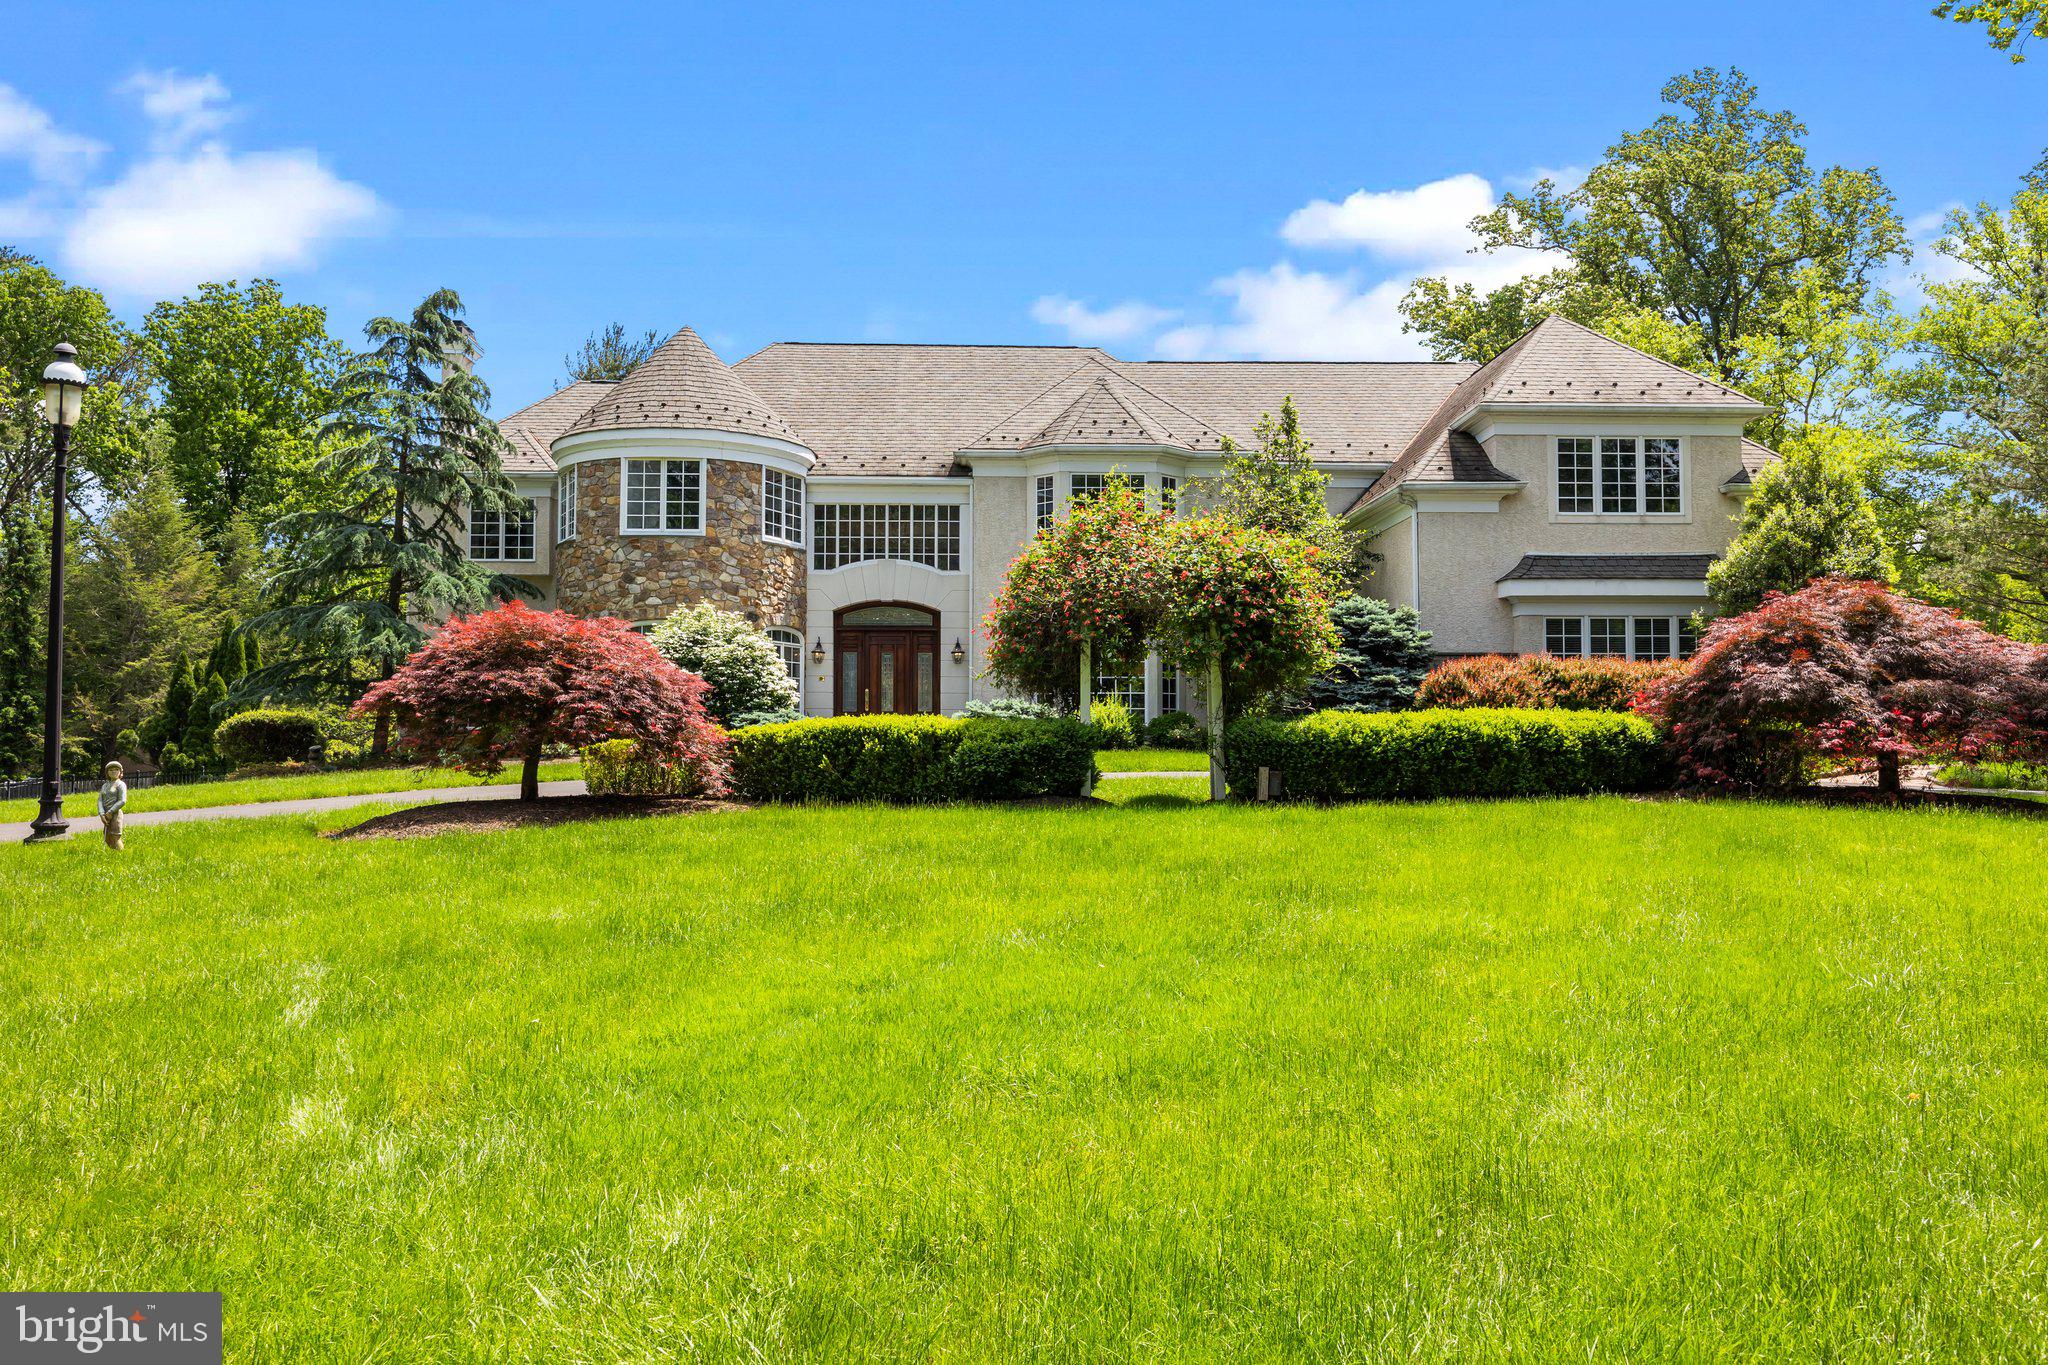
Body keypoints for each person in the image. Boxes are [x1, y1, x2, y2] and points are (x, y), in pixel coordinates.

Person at [97, 761, 127, 851]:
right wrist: (102, 813)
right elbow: (100, 799)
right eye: (111, 770)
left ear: (120, 772)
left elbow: (122, 800)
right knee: (107, 836)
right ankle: (113, 852)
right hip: (105, 814)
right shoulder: (105, 785)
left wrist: (111, 812)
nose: (113, 772)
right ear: (107, 772)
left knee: (115, 836)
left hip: (115, 813)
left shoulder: (120, 784)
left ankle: (121, 854)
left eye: (116, 769)